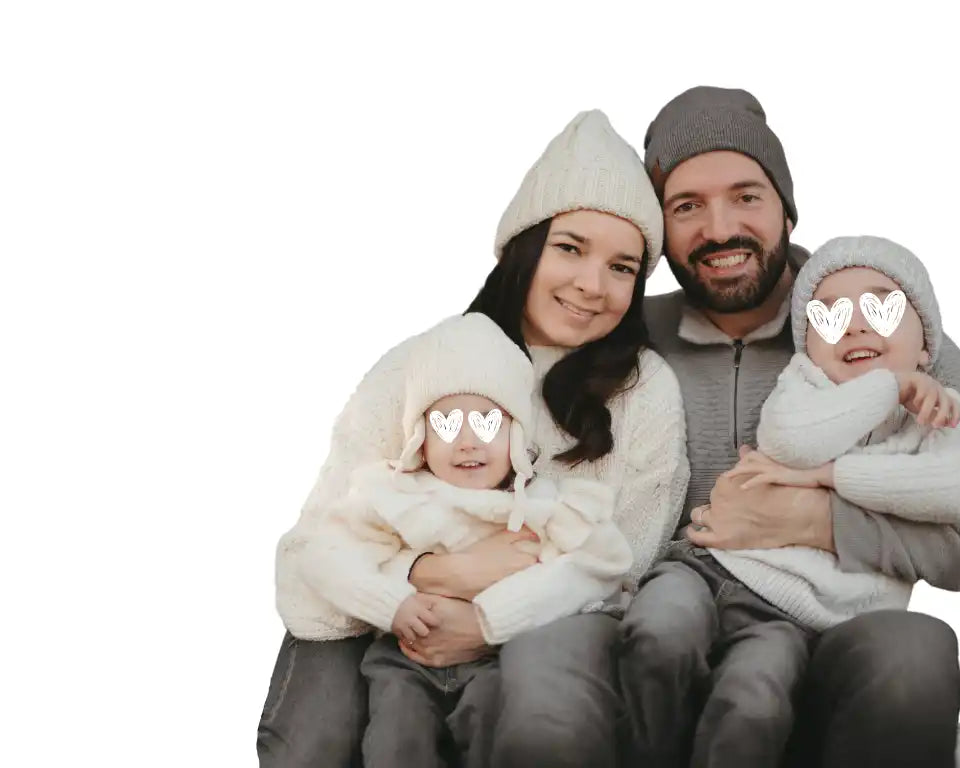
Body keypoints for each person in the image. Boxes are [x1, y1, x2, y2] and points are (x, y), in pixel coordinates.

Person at [619, 86, 960, 768]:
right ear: (658, 230)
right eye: (686, 207)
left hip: (835, 644)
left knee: (913, 654)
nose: (719, 229)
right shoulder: (622, 336)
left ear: (785, 207)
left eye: (746, 196)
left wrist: (818, 522)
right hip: (673, 651)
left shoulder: (877, 317)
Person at [259, 109, 690, 768]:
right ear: (525, 245)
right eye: (569, 248)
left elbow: (623, 568)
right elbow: (311, 555)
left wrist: (486, 620)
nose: (590, 286)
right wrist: (426, 576)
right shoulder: (423, 365)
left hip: (546, 627)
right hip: (379, 609)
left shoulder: (643, 389)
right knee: (317, 741)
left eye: (622, 267)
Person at [625, 233, 960, 766]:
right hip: (709, 567)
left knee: (750, 702)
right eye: (829, 316)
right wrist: (888, 385)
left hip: (790, 618)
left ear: (926, 342)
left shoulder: (940, 413)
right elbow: (790, 442)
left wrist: (826, 477)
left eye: (882, 309)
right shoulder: (804, 384)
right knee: (657, 631)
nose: (856, 325)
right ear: (808, 344)